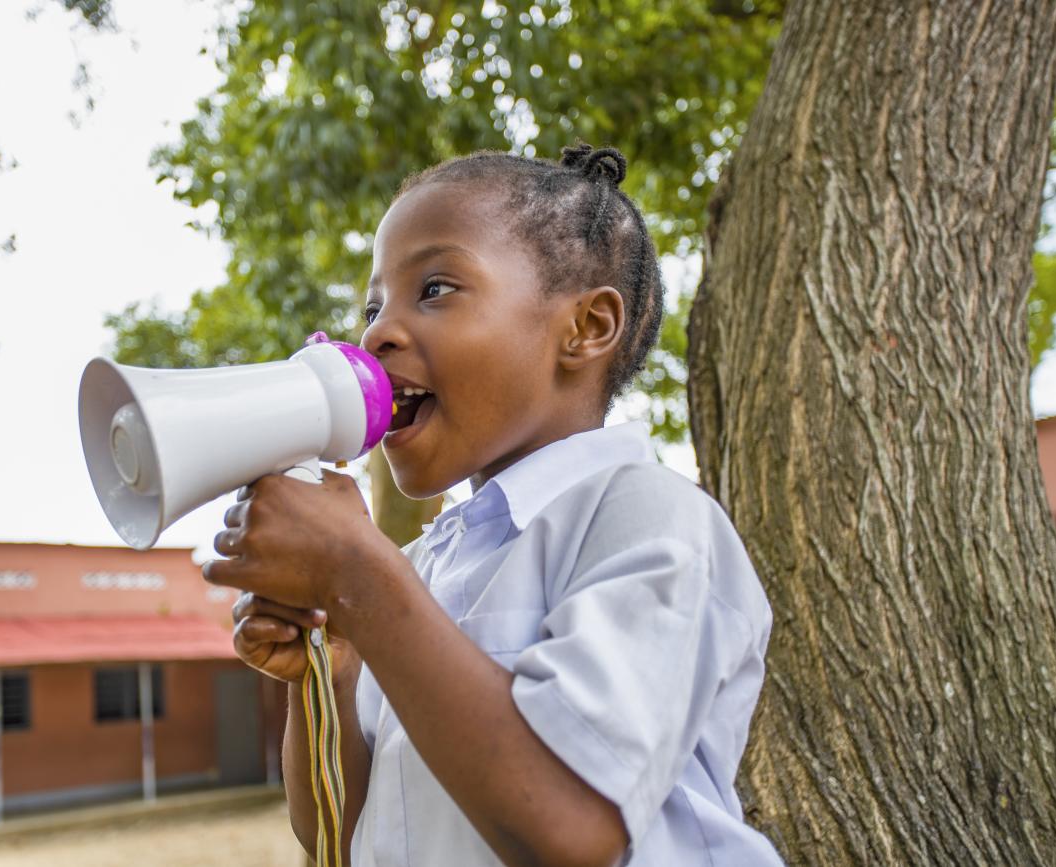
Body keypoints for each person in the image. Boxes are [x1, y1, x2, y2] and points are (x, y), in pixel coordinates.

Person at [203, 143, 783, 866]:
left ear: (586, 328)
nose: (376, 331)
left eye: (436, 288)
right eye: (372, 304)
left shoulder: (650, 518)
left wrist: (356, 571)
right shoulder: (416, 568)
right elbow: (335, 833)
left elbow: (572, 826)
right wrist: (338, 669)